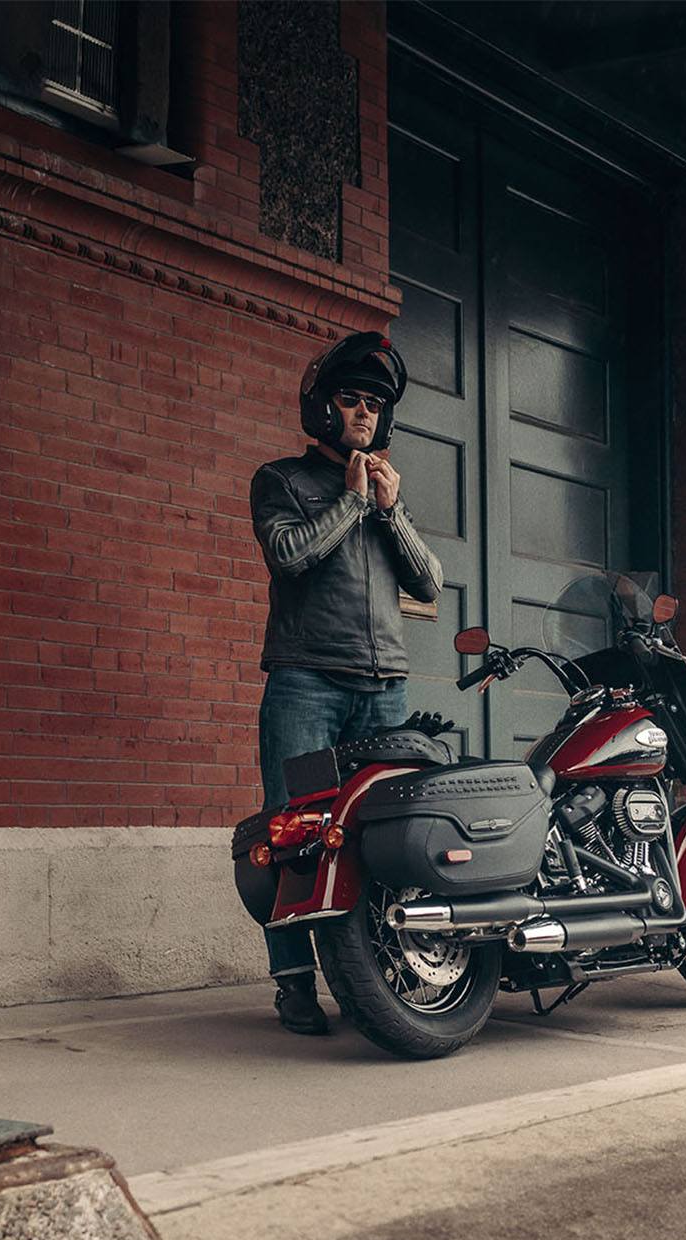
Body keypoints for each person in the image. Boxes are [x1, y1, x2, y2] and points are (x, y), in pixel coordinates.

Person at [249, 331, 444, 1034]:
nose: (363, 411)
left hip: (385, 687)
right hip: (307, 683)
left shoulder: (385, 495)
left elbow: (428, 581)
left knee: (386, 835)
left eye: (373, 404)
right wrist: (355, 503)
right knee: (294, 831)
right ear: (325, 407)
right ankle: (294, 980)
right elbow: (291, 557)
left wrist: (389, 511)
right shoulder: (281, 481)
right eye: (351, 398)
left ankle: (383, 969)